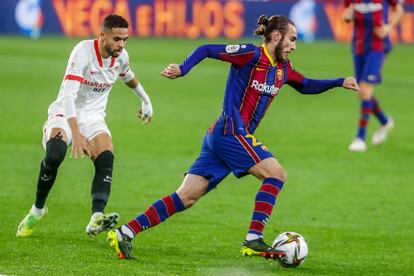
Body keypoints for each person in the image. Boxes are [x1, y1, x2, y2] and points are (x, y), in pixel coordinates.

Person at [107, 15, 359, 260]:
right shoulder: (250, 54)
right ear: (276, 35)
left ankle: (125, 232)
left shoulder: (282, 69)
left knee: (187, 196)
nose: (293, 46)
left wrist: (339, 81)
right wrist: (183, 68)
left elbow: (306, 85)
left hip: (222, 137)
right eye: (291, 39)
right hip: (230, 132)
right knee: (276, 174)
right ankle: (253, 237)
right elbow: (207, 48)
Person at [16, 14, 153, 237]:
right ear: (102, 36)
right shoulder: (83, 51)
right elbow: (69, 95)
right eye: (117, 39)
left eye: (125, 39)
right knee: (54, 155)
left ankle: (96, 217)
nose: (121, 44)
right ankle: (38, 209)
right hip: (65, 111)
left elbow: (128, 76)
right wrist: (76, 133)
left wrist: (146, 100)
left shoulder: (121, 57)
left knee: (106, 157)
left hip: (93, 117)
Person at [343, 0, 404, 152]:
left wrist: (388, 27)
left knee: (364, 89)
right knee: (363, 91)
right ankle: (385, 121)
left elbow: (399, 10)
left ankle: (360, 138)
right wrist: (347, 16)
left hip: (378, 46)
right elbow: (346, 16)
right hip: (358, 46)